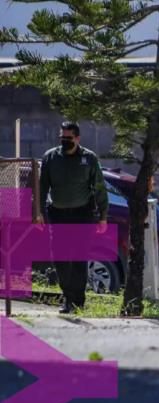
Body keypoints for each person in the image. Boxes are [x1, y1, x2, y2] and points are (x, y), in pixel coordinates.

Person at [35, 121, 109, 314]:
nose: (65, 141)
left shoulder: (89, 158)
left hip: (82, 213)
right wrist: (39, 211)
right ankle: (68, 296)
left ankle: (77, 301)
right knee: (59, 258)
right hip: (58, 214)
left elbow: (99, 187)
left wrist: (103, 216)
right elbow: (42, 187)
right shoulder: (51, 157)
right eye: (62, 138)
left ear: (77, 138)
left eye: (69, 138)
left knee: (78, 258)